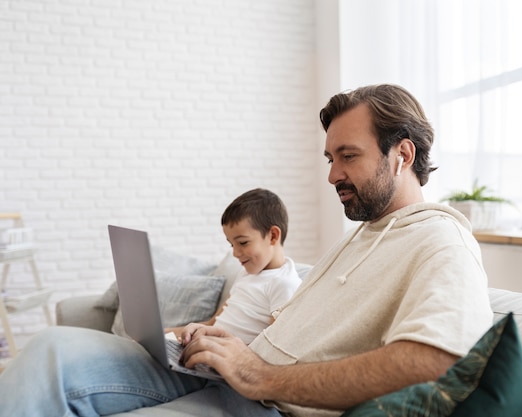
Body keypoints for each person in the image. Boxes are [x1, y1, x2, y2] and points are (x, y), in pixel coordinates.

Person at [0, 84, 493, 417]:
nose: (332, 175)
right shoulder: (363, 237)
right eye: (330, 157)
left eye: (348, 156)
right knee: (52, 348)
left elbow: (436, 361)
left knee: (53, 364)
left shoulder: (440, 240)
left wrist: (263, 377)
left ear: (401, 154)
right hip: (231, 377)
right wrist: (216, 341)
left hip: (261, 401)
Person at [165, 188, 301, 345]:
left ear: (273, 236)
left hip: (225, 359)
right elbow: (212, 324)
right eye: (232, 245)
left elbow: (271, 346)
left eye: (243, 243)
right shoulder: (246, 274)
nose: (235, 253)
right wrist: (167, 333)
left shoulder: (284, 284)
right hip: (207, 346)